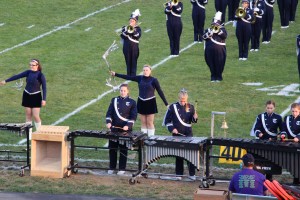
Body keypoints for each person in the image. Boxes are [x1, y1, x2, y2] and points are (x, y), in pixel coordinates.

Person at [110, 65, 168, 136]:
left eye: (147, 70)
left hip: (150, 102)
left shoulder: (154, 80)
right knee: (143, 122)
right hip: (141, 102)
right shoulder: (140, 78)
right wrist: (116, 74)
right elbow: (128, 77)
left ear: (150, 71)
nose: (145, 72)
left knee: (149, 123)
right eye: (144, 70)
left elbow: (160, 91)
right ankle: (143, 139)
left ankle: (151, 139)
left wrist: (166, 103)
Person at [0, 59, 46, 139]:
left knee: (35, 115)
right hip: (27, 95)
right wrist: (6, 81)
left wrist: (44, 99)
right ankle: (29, 136)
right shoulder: (28, 72)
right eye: (30, 64)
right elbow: (17, 76)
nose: (31, 66)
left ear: (37, 66)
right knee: (28, 115)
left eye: (33, 65)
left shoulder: (40, 75)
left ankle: (39, 133)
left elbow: (44, 88)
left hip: (36, 96)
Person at [163, 89, 198, 180]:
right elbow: (167, 121)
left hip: (188, 134)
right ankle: (179, 174)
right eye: (181, 100)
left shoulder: (191, 107)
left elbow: (193, 121)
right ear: (179, 98)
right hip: (177, 134)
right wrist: (172, 129)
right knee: (179, 155)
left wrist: (195, 118)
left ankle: (192, 174)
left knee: (190, 154)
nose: (183, 102)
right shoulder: (172, 107)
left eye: (184, 101)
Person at [106, 84, 137, 175]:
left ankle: (122, 168)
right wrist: (108, 122)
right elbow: (109, 113)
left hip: (125, 130)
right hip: (114, 129)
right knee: (113, 149)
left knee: (123, 149)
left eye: (124, 91)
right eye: (121, 90)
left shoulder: (132, 102)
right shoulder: (114, 100)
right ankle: (112, 167)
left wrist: (128, 126)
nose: (122, 92)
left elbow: (133, 116)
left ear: (128, 91)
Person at [203, 11, 227, 82]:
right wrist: (209, 34)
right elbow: (203, 37)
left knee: (219, 63)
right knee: (211, 62)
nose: (215, 25)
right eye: (214, 24)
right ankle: (213, 76)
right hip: (209, 50)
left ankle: (219, 77)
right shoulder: (208, 30)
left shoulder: (222, 29)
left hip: (220, 50)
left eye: (216, 24)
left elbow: (224, 36)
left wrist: (218, 31)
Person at [280, 102, 300, 184]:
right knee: (293, 165)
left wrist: (298, 137)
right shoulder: (287, 118)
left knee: (298, 164)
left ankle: (297, 181)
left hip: (299, 144)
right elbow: (284, 129)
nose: (294, 113)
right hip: (290, 144)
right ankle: (295, 182)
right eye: (292, 111)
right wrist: (283, 135)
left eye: (296, 111)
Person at [120, 9, 141, 76]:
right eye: (130, 20)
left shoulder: (138, 28)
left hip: (134, 48)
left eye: (133, 20)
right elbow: (122, 36)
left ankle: (133, 75)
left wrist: (133, 30)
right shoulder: (124, 28)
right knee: (128, 61)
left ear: (135, 22)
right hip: (126, 47)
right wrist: (128, 30)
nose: (131, 21)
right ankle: (128, 75)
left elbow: (137, 36)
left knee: (133, 61)